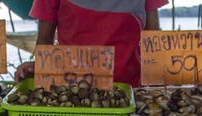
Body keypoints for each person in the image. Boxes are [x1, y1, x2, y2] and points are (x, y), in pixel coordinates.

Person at [16, 0, 169, 87]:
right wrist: (39, 67)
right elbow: (44, 43)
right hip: (72, 90)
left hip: (130, 90)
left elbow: (152, 38)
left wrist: (159, 77)